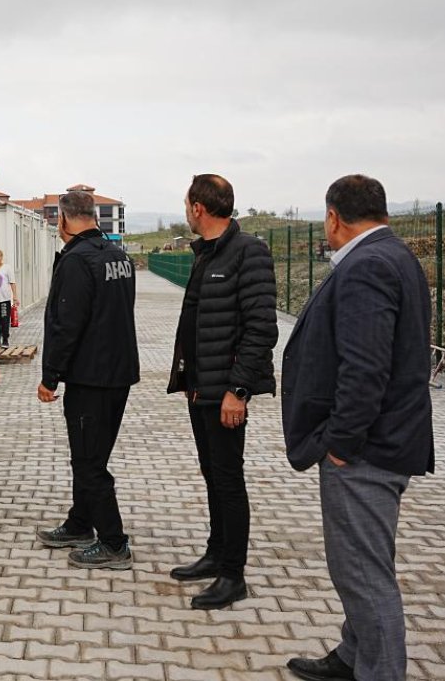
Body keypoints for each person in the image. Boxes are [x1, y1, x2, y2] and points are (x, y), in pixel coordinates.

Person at [283, 175, 433, 681]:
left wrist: (341, 444)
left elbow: (365, 368)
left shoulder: (367, 266)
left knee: (364, 576)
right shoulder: (395, 256)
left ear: (333, 217)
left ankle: (380, 670)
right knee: (365, 563)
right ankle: (352, 656)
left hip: (367, 450)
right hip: (387, 441)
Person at [167, 174, 277, 610]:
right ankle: (216, 553)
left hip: (225, 392)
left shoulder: (248, 252)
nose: (185, 210)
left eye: (186, 204)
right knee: (213, 474)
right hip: (200, 389)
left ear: (198, 207)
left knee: (229, 480)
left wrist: (238, 389)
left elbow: (261, 329)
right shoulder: (206, 252)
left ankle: (233, 575)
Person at [35, 190, 140, 569]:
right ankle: (80, 523)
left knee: (89, 461)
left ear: (63, 219)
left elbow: (67, 325)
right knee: (92, 455)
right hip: (117, 374)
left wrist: (51, 377)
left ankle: (114, 543)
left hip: (90, 377)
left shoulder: (78, 260)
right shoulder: (119, 256)